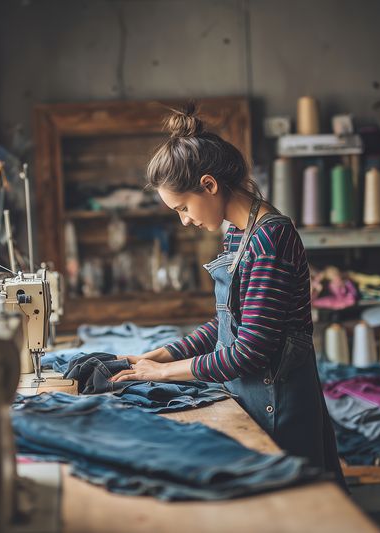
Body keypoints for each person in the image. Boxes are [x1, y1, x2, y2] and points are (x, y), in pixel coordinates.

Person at [111, 102, 345, 488]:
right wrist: (162, 354)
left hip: (281, 407)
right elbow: (228, 324)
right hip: (252, 398)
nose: (184, 220)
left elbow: (249, 351)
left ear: (209, 185)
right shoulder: (238, 232)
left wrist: (166, 373)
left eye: (183, 207)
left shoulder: (271, 238)